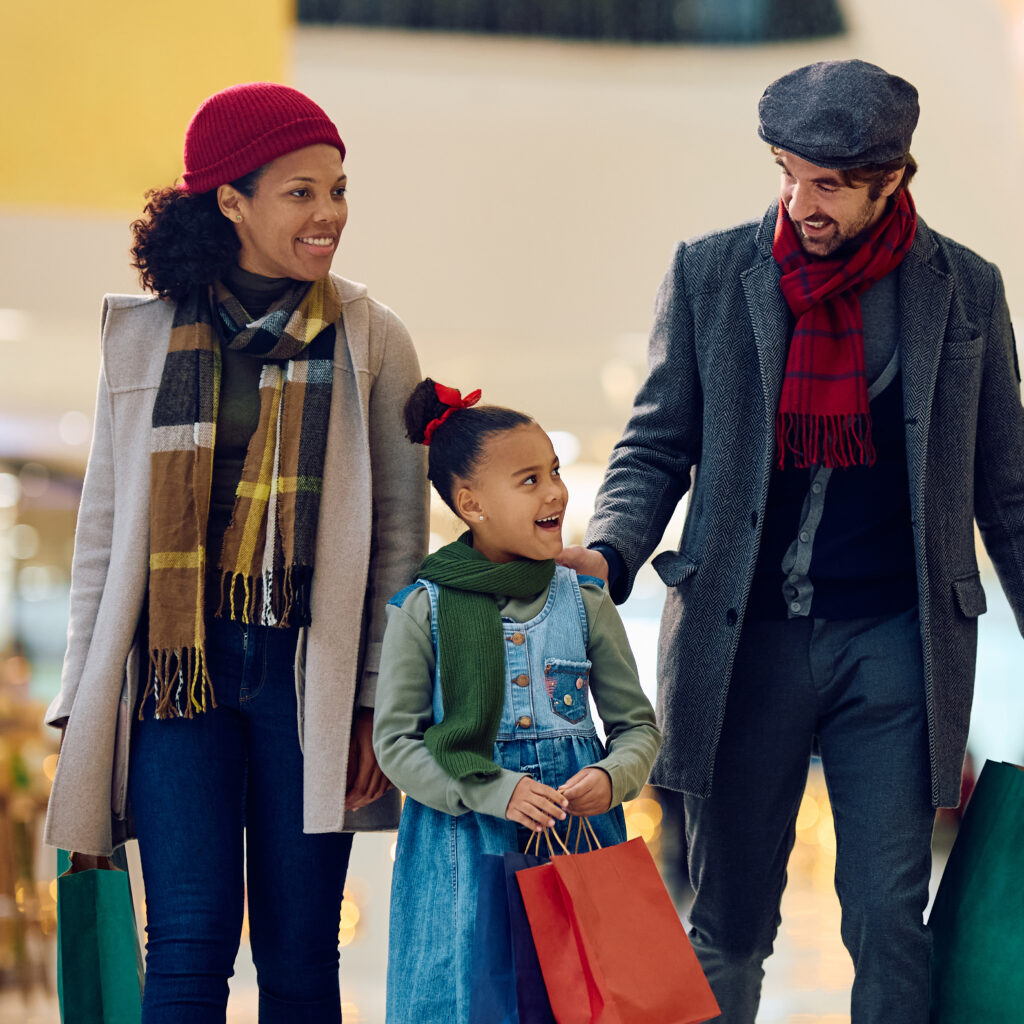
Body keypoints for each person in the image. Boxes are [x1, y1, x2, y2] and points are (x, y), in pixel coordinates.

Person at [559, 59, 1024, 1023]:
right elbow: (656, 445)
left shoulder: (968, 291)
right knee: (729, 918)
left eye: (828, 185)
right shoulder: (710, 270)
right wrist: (606, 553)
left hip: (898, 641)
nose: (799, 201)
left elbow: (1007, 490)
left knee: (889, 916)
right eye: (786, 172)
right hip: (746, 638)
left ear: (892, 180)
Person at [43, 82, 428, 1023]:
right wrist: (80, 700)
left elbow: (398, 543)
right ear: (231, 201)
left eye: (338, 190)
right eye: (301, 192)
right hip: (178, 670)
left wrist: (375, 699)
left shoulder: (373, 339)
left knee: (300, 954)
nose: (329, 214)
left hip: (311, 678)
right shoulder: (140, 338)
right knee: (183, 943)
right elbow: (104, 531)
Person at [373, 379, 662, 1022]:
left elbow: (637, 726)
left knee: (585, 1002)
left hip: (580, 843)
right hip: (458, 855)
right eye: (528, 480)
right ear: (470, 503)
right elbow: (395, 742)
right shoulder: (423, 609)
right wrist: (492, 790)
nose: (555, 491)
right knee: (467, 1003)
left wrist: (611, 778)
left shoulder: (585, 602)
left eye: (554, 472)